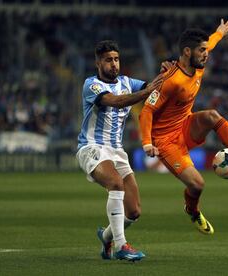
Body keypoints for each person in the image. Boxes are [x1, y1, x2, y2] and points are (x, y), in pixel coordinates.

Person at [139, 19, 228, 235]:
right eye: (202, 50)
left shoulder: (197, 62)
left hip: (185, 125)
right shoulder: (170, 80)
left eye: (206, 50)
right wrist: (147, 143)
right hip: (166, 141)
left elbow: (211, 43)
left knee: (212, 115)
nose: (206, 54)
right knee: (197, 185)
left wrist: (220, 32)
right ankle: (193, 211)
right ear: (187, 52)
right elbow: (146, 111)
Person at [76, 40, 164, 261]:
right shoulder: (91, 85)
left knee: (133, 211)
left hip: (117, 151)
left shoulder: (127, 81)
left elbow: (153, 88)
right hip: (92, 147)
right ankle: (121, 246)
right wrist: (149, 92)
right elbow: (115, 101)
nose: (114, 64)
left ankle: (106, 237)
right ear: (98, 63)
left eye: (116, 59)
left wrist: (166, 76)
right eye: (108, 60)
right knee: (116, 183)